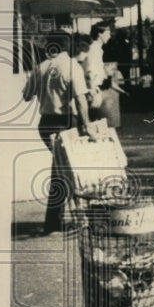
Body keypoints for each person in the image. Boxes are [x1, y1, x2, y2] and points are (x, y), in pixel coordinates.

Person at [23, 32, 96, 235]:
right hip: (66, 124)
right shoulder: (72, 67)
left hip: (46, 124)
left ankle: (54, 221)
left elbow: (26, 96)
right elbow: (80, 100)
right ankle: (77, 218)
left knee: (61, 171)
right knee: (71, 171)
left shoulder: (40, 67)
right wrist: (88, 126)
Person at [84, 21, 112, 122]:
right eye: (108, 33)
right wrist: (92, 89)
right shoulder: (94, 49)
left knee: (94, 119)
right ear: (100, 34)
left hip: (95, 88)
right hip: (93, 89)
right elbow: (90, 70)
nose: (110, 36)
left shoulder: (97, 49)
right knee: (92, 119)